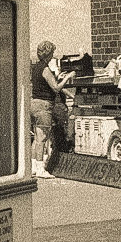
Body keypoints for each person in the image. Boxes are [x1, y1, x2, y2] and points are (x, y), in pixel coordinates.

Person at [31, 41, 75, 178]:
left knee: (37, 138)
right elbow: (55, 88)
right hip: (44, 106)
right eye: (52, 53)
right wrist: (67, 77)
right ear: (48, 54)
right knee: (42, 138)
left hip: (34, 104)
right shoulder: (44, 68)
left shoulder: (36, 67)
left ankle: (33, 167)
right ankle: (40, 169)